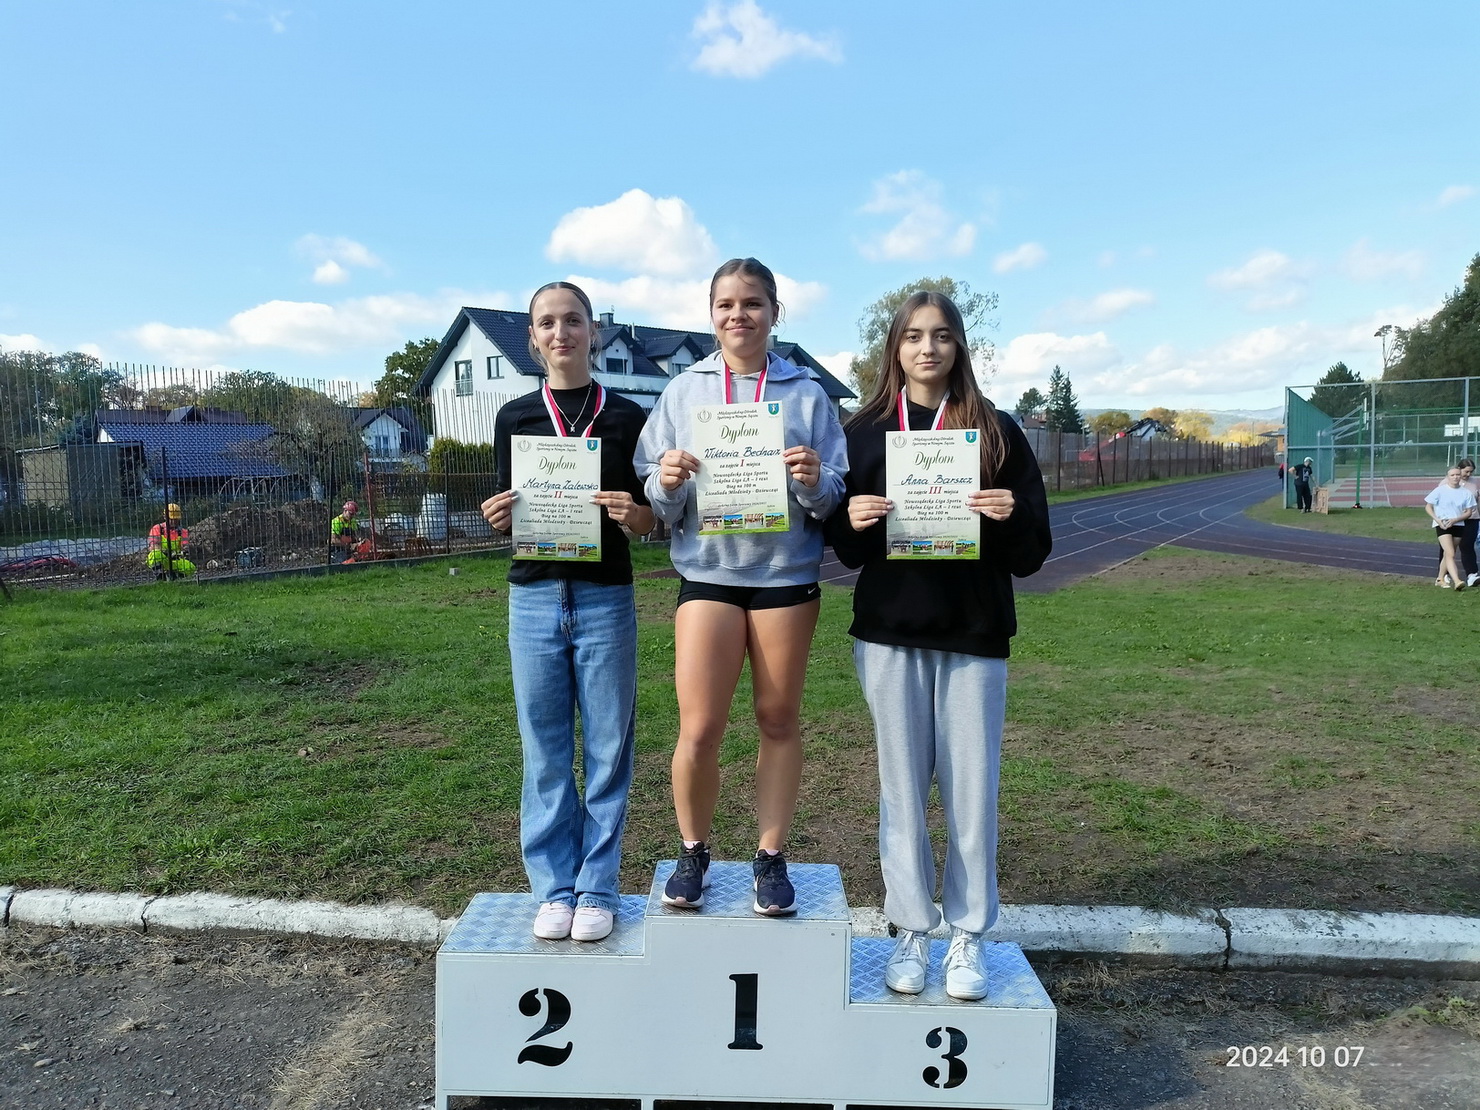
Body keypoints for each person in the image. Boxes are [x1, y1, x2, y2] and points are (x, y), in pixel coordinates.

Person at [828, 291, 1051, 1000]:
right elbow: (841, 548)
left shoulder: (996, 431)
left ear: (960, 347)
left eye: (943, 336)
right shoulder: (862, 433)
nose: (929, 349)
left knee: (971, 793)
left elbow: (1032, 555)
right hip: (890, 635)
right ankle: (910, 932)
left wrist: (1008, 516)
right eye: (915, 336)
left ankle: (967, 937)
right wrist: (852, 517)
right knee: (901, 791)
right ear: (894, 348)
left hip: (975, 635)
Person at [634, 257, 847, 917]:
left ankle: (770, 855)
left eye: (752, 303)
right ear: (711, 314)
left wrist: (813, 478)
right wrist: (666, 481)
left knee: (778, 720)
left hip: (785, 576)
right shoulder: (682, 393)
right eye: (725, 304)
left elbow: (834, 494)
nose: (738, 315)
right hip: (708, 576)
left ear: (774, 312)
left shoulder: (807, 393)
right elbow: (653, 494)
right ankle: (693, 850)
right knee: (700, 727)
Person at [480, 281, 654, 943]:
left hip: (606, 596)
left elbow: (648, 521)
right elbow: (507, 511)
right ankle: (554, 888)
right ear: (532, 337)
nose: (561, 333)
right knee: (545, 749)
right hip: (533, 597)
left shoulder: (627, 417)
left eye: (573, 321)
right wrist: (495, 517)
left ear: (594, 332)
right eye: (547, 323)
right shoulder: (515, 417)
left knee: (608, 748)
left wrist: (631, 513)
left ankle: (598, 886)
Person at [1425, 465, 1476, 591]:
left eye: (1457, 475)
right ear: (1447, 477)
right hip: (1443, 525)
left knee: (1448, 554)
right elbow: (1428, 507)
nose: (1455, 477)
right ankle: (1457, 580)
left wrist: (1456, 519)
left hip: (1458, 525)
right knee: (1450, 553)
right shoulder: (1440, 490)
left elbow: (1469, 512)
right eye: (1452, 475)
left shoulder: (1466, 493)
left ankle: (1440, 579)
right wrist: (1437, 520)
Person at [146, 503, 196, 578]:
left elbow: (185, 547)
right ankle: (160, 576)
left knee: (190, 568)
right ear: (165, 517)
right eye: (171, 519)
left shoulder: (183, 532)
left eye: (176, 519)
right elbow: (153, 546)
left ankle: (175, 577)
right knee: (155, 555)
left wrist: (184, 551)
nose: (173, 522)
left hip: (175, 560)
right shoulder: (157, 528)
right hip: (163, 559)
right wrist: (167, 552)